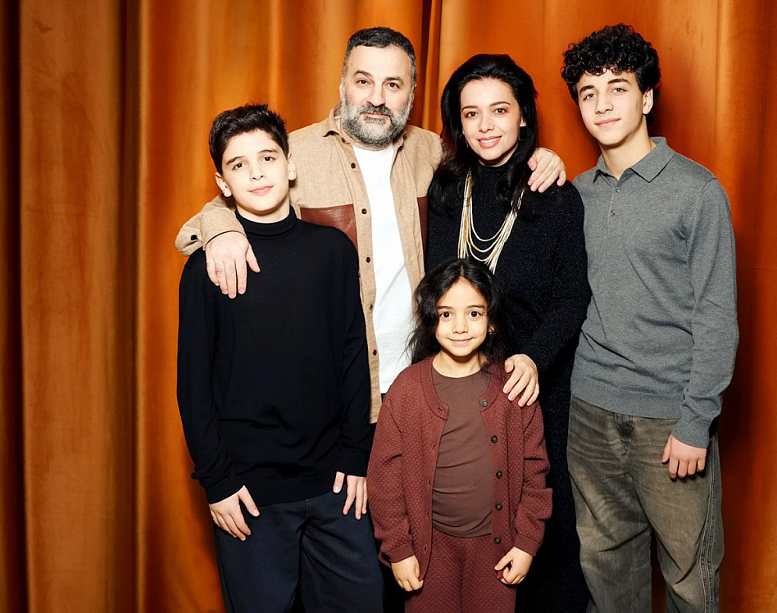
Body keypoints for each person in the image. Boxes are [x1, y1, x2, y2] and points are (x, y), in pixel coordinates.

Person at [175, 28, 566, 424]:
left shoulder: (429, 150)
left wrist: (540, 156)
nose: (377, 98)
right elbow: (212, 213)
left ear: (411, 93)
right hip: (334, 392)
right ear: (342, 83)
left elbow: (490, 152)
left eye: (392, 84)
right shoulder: (295, 153)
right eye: (363, 81)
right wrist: (222, 228)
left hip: (423, 380)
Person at [176, 104, 382, 612]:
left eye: (267, 157)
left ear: (290, 165)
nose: (256, 173)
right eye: (239, 164)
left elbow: (353, 355)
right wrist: (218, 482)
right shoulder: (206, 268)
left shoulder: (332, 251)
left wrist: (355, 454)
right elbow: (193, 385)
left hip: (336, 483)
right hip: (249, 492)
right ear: (222, 183)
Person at [561, 24, 739, 612]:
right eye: (588, 93)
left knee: (690, 579)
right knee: (605, 573)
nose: (602, 104)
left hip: (669, 420)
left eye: (618, 87)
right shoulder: (575, 194)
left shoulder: (696, 191)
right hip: (589, 412)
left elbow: (717, 316)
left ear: (647, 98)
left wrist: (695, 421)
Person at [425, 54, 591, 612]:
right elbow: (437, 289)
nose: (486, 125)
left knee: (545, 527)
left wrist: (533, 358)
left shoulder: (554, 194)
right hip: (461, 382)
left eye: (500, 110)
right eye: (471, 113)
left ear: (523, 116)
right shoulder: (447, 191)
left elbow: (572, 297)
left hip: (534, 384)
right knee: (470, 522)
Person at [367, 258, 552, 613]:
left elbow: (535, 472)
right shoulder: (406, 389)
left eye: (474, 313)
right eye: (446, 314)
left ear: (492, 321)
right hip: (428, 554)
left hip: (497, 553)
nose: (460, 327)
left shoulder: (514, 388)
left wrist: (527, 543)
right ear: (429, 319)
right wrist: (399, 549)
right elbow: (384, 478)